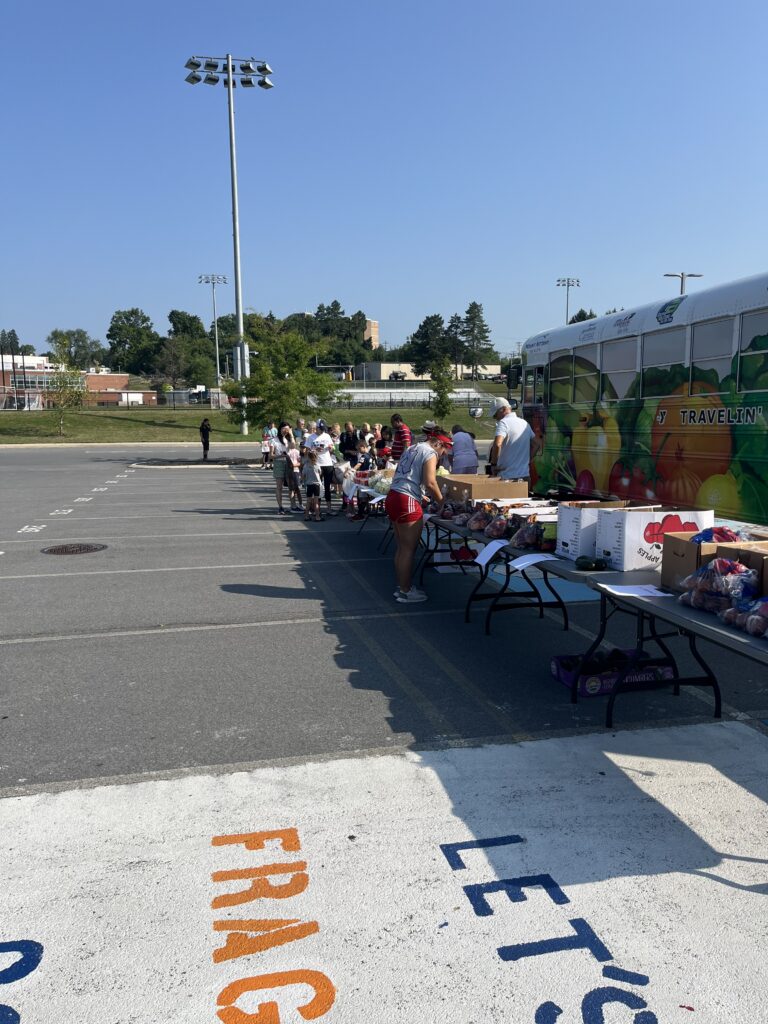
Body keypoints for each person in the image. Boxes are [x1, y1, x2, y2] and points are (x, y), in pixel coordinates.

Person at [384, 430, 452, 603]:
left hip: (394, 495)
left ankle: (402, 588)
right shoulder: (430, 452)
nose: (442, 455)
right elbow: (430, 481)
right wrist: (442, 501)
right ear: (439, 444)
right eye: (444, 450)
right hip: (406, 499)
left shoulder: (414, 447)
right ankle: (406, 590)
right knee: (408, 549)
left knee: (401, 547)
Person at [488, 398, 539, 481]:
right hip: (525, 476)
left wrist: (493, 464)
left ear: (503, 409)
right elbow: (537, 445)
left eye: (495, 415)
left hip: (507, 477)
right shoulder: (524, 423)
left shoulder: (503, 423)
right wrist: (527, 460)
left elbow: (497, 444)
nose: (495, 418)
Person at [311, 419, 336, 516]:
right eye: (320, 429)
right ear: (316, 428)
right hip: (317, 464)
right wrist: (315, 449)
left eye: (323, 429)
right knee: (318, 487)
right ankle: (317, 509)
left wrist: (331, 448)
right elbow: (307, 451)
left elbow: (332, 447)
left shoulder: (327, 436)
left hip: (327, 463)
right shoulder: (311, 437)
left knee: (327, 487)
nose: (321, 431)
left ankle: (329, 509)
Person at [270, 423, 293, 515]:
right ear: (280, 429)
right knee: (279, 486)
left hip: (288, 463)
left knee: (291, 486)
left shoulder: (288, 439)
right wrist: (281, 455)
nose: (285, 431)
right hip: (279, 463)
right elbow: (271, 456)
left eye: (287, 429)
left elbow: (293, 447)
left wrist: (291, 435)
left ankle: (292, 505)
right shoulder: (274, 440)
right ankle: (280, 506)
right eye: (284, 428)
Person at [301, 448, 323, 521]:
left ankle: (306, 516)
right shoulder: (317, 465)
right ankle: (317, 516)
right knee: (316, 501)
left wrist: (303, 481)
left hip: (309, 484)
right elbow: (320, 473)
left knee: (308, 501)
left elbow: (303, 475)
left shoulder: (306, 466)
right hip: (316, 484)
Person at [286, 441, 303, 512]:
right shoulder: (287, 452)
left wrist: (295, 465)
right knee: (291, 489)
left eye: (293, 443)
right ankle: (293, 505)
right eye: (290, 443)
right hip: (289, 472)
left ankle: (300, 504)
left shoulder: (297, 452)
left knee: (297, 489)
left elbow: (300, 462)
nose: (292, 444)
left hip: (296, 471)